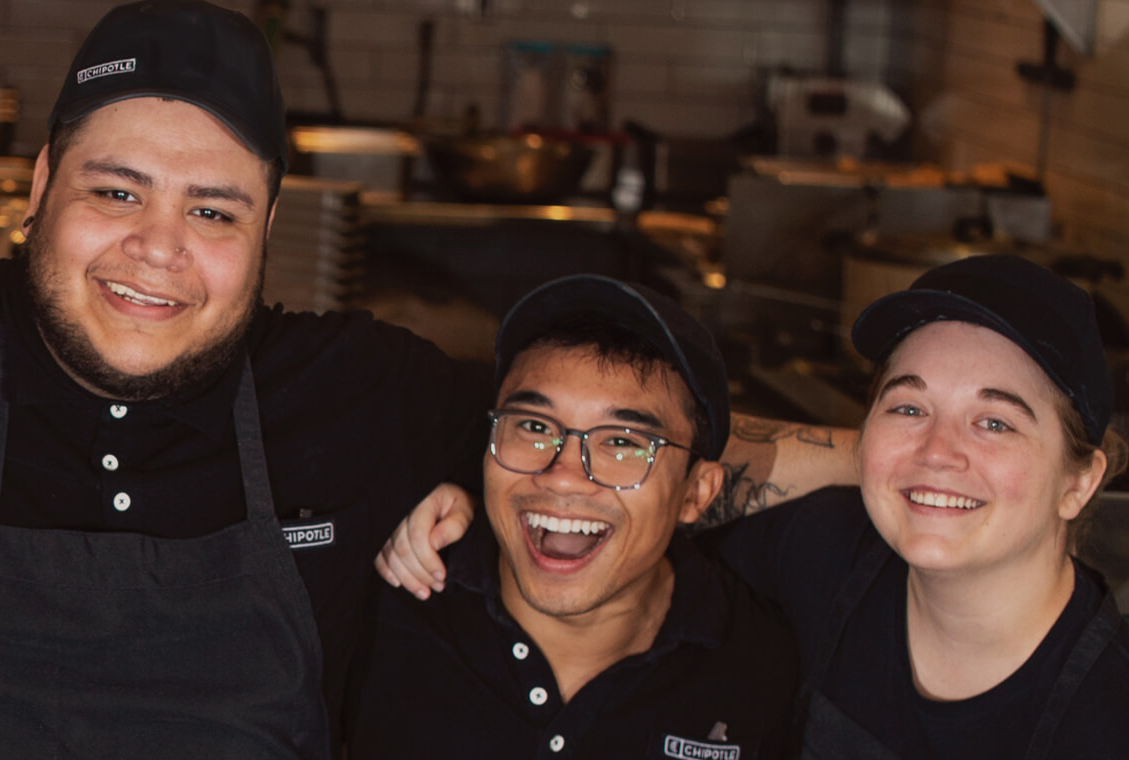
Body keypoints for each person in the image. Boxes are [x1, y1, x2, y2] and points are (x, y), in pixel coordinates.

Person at [0, 1, 854, 755]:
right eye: (116, 190)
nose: (158, 249)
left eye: (212, 210)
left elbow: (629, 444)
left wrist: (905, 455)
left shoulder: (362, 397)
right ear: (38, 180)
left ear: (265, 227)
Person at [380, 255, 1129, 758]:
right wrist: (482, 484)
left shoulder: (1127, 736)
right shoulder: (820, 555)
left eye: (996, 422)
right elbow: (654, 470)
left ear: (1081, 480)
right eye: (909, 406)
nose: (939, 451)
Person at [344, 276, 802, 758]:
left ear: (696, 493)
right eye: (535, 427)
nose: (563, 477)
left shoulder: (759, 664)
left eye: (623, 442)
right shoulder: (383, 608)